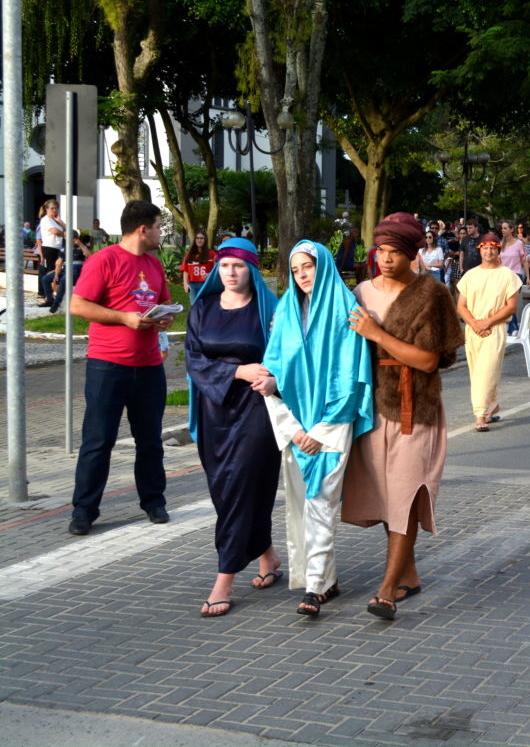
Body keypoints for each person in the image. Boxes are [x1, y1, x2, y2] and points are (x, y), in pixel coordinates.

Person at [342, 213, 464, 620]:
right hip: (370, 409)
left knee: (406, 495)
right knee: (384, 497)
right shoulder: (359, 292)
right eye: (382, 251)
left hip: (416, 410)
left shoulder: (432, 294)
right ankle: (407, 573)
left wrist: (378, 335)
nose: (387, 260)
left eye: (396, 253)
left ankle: (387, 588)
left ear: (412, 254)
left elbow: (429, 361)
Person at [261, 241, 374, 616]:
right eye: (295, 270)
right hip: (294, 426)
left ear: (322, 265)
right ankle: (325, 581)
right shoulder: (287, 311)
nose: (302, 275)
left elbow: (351, 378)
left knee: (322, 501)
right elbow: (271, 375)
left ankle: (313, 589)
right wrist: (293, 430)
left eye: (307, 266)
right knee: (302, 504)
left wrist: (320, 431)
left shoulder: (346, 309)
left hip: (332, 424)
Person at [185, 238, 282, 617]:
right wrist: (236, 370)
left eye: (238, 266)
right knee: (226, 490)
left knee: (241, 486)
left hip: (256, 410)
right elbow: (193, 359)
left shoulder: (268, 310)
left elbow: (286, 353)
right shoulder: (203, 308)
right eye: (224, 265)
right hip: (215, 410)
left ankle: (224, 578)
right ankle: (269, 558)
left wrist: (272, 377)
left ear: (252, 270)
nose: (230, 273)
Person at [67, 201, 176, 536]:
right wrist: (124, 318)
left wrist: (163, 319)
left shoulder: (154, 264)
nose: (161, 232)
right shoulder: (105, 260)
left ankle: (154, 502)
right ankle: (84, 511)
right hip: (107, 366)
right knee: (98, 440)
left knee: (150, 440)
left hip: (148, 367)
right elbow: (77, 304)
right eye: (159, 226)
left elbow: (162, 301)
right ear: (143, 228)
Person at [456, 233, 522, 432]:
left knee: (487, 370)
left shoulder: (507, 275)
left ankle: (480, 413)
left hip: (495, 329)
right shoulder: (470, 275)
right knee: (478, 371)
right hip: (473, 330)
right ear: (480, 250)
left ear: (498, 250)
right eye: (485, 248)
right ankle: (492, 406)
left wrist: (487, 322)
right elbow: (461, 306)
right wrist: (475, 324)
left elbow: (511, 307)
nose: (489, 251)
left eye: (493, 248)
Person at [181, 231, 216, 302]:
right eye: (197, 238)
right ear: (195, 240)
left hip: (206, 284)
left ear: (205, 240)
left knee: (206, 306)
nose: (199, 240)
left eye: (202, 238)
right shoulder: (189, 254)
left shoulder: (212, 254)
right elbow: (185, 270)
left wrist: (210, 275)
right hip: (192, 285)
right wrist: (185, 284)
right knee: (194, 306)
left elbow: (216, 270)